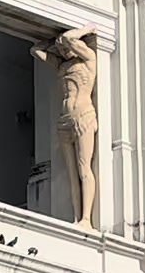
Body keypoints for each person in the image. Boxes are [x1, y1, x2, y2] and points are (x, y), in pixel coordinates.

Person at [31, 27, 98, 228]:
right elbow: (35, 50)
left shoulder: (88, 59)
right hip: (65, 119)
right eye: (60, 47)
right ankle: (77, 217)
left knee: (83, 167)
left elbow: (69, 37)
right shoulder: (61, 65)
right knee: (70, 172)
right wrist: (53, 43)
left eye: (65, 45)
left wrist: (86, 29)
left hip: (83, 116)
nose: (63, 48)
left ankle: (86, 218)